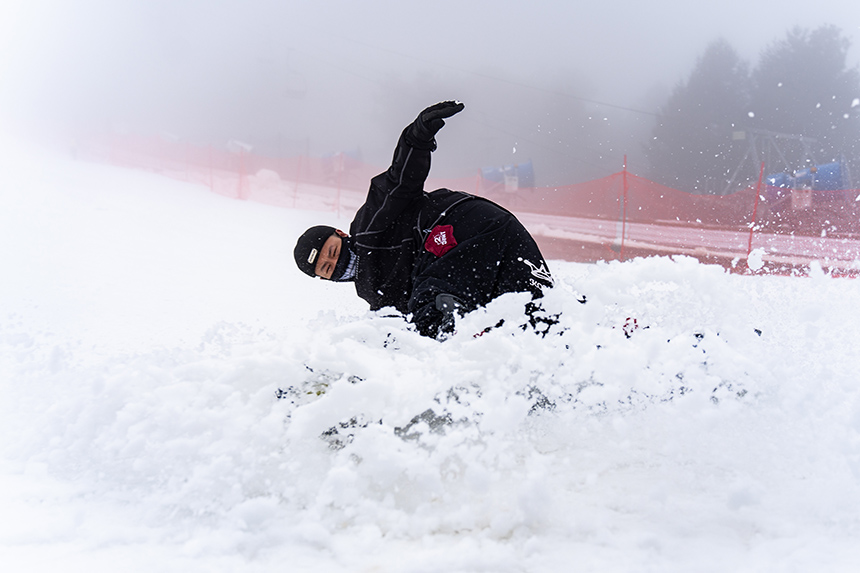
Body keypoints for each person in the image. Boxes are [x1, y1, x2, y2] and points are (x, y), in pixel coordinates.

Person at [293, 101, 554, 338]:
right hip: (501, 236)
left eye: (332, 251)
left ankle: (456, 339)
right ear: (326, 280)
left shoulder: (368, 226)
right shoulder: (376, 297)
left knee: (429, 311)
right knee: (537, 317)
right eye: (328, 268)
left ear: (340, 234)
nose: (337, 262)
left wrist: (416, 137)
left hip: (459, 226)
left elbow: (400, 182)